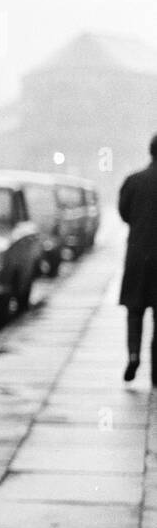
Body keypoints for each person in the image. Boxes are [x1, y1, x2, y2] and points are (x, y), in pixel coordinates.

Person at [119, 135, 157, 383]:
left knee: (135, 311)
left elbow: (124, 213)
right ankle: (156, 372)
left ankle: (133, 355)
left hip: (137, 255)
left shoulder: (133, 180)